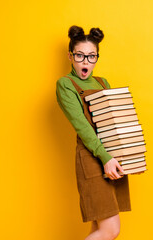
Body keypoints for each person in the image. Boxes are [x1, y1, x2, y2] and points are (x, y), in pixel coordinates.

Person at [56, 25, 131, 240]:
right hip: (92, 158)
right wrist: (105, 158)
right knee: (110, 230)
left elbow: (113, 122)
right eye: (80, 56)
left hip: (112, 157)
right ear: (70, 56)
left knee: (98, 230)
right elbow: (82, 126)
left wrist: (124, 156)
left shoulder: (102, 82)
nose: (86, 62)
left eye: (91, 56)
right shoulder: (65, 84)